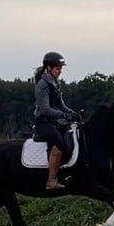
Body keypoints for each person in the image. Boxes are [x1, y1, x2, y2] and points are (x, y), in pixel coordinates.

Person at [33, 51, 80, 190]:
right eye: (58, 68)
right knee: (59, 143)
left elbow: (61, 105)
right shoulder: (42, 85)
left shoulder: (55, 83)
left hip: (54, 121)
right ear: (48, 68)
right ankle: (51, 181)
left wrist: (72, 113)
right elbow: (45, 109)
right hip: (43, 122)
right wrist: (64, 116)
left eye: (61, 69)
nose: (60, 71)